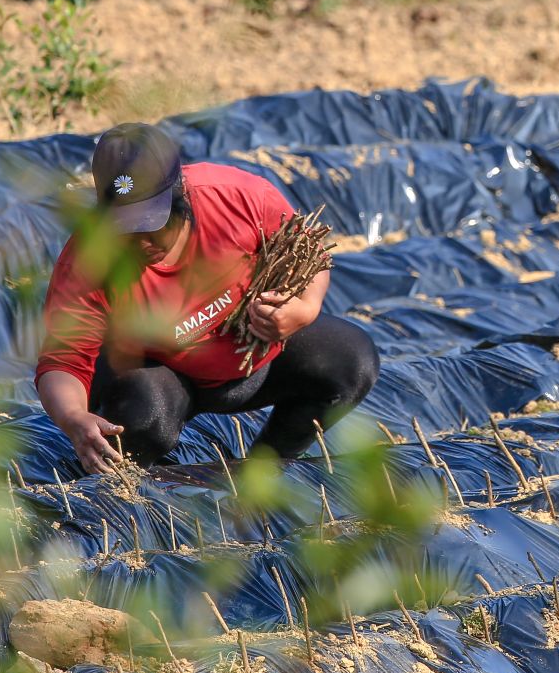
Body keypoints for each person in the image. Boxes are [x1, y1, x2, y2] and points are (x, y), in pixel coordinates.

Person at [35, 122, 380, 473]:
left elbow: (310, 254)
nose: (141, 241)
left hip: (253, 362)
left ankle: (265, 472)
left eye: (153, 224)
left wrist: (304, 309)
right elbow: (63, 362)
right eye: (126, 228)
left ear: (181, 195)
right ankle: (127, 491)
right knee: (143, 414)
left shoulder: (235, 196)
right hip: (159, 379)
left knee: (351, 360)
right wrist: (73, 417)